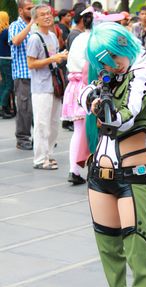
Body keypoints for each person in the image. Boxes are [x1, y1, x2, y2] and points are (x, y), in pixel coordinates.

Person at [79, 22, 146, 287]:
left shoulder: (142, 74)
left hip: (132, 173)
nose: (110, 65)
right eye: (103, 61)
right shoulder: (105, 75)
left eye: (113, 57)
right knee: (108, 248)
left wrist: (102, 105)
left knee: (137, 249)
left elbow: (124, 117)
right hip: (99, 172)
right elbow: (85, 96)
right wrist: (93, 96)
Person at [27, 4, 68, 170]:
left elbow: (55, 58)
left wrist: (61, 57)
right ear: (36, 20)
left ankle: (48, 155)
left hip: (54, 85)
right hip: (40, 87)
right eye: (42, 15)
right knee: (42, 124)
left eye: (49, 13)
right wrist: (53, 59)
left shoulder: (52, 35)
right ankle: (39, 159)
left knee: (53, 123)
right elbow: (31, 63)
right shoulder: (34, 38)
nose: (47, 16)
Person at [62, 7, 94, 185]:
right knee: (90, 130)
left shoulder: (79, 38)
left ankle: (74, 169)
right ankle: (86, 168)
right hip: (86, 87)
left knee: (79, 131)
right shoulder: (93, 39)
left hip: (74, 86)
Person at [8, 0, 34, 150]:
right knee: (24, 108)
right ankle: (22, 138)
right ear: (20, 11)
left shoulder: (36, 27)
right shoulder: (15, 26)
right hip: (22, 74)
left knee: (37, 108)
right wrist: (31, 25)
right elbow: (16, 41)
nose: (31, 11)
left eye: (33, 8)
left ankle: (39, 136)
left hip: (37, 74)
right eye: (28, 8)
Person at [0, 11, 14, 119]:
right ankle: (3, 106)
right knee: (9, 84)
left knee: (4, 84)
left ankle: (4, 107)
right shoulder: (6, 31)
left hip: (1, 59)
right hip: (7, 59)